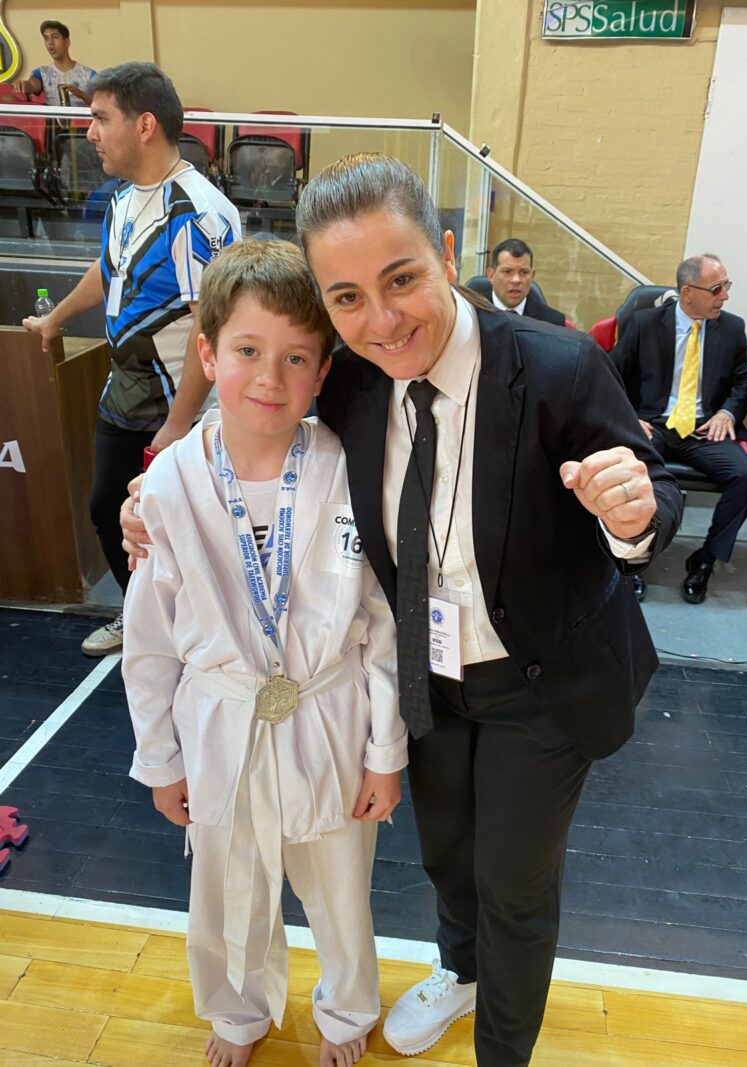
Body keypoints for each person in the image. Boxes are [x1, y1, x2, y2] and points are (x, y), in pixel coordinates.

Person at [122, 153, 682, 1067]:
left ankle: (503, 1052)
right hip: (425, 672)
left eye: (402, 279)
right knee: (447, 853)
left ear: (448, 254)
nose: (382, 320)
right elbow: (257, 418)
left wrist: (634, 514)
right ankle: (460, 971)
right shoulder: (351, 381)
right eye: (347, 298)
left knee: (513, 882)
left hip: (539, 678)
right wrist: (152, 495)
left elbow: (649, 490)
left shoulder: (557, 366)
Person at [123, 239, 407, 1067]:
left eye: (296, 358)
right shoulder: (169, 484)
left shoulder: (350, 469)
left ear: (323, 372)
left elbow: (382, 623)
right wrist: (161, 758)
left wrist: (384, 752)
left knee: (342, 889)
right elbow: (148, 642)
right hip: (221, 717)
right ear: (208, 353)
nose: (270, 378)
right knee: (225, 888)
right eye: (247, 351)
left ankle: (346, 1012)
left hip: (329, 711)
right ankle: (237, 1011)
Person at [23, 62, 241, 657]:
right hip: (126, 391)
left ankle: (200, 637)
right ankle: (142, 619)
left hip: (182, 409)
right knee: (108, 511)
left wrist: (179, 424)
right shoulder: (122, 199)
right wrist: (56, 318)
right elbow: (108, 270)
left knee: (189, 531)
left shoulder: (198, 212)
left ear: (144, 125)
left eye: (100, 118)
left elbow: (211, 325)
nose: (89, 132)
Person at [611, 254, 747, 604]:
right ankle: (632, 557)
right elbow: (609, 374)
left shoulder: (732, 327)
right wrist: (630, 417)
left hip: (703, 430)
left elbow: (744, 380)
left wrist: (727, 412)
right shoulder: (644, 324)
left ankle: (705, 560)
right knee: (630, 472)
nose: (725, 296)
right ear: (687, 292)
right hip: (654, 426)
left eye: (726, 286)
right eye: (716, 289)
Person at [484, 237, 567, 325]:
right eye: (507, 272)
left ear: (532, 276)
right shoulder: (474, 314)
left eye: (524, 272)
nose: (516, 280)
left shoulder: (552, 321)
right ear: (491, 275)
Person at [15, 20, 96, 106]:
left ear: (66, 42)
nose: (50, 42)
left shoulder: (88, 74)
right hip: (51, 115)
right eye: (46, 38)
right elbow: (33, 84)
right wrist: (24, 85)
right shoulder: (43, 73)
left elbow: (102, 101)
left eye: (55, 37)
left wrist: (82, 95)